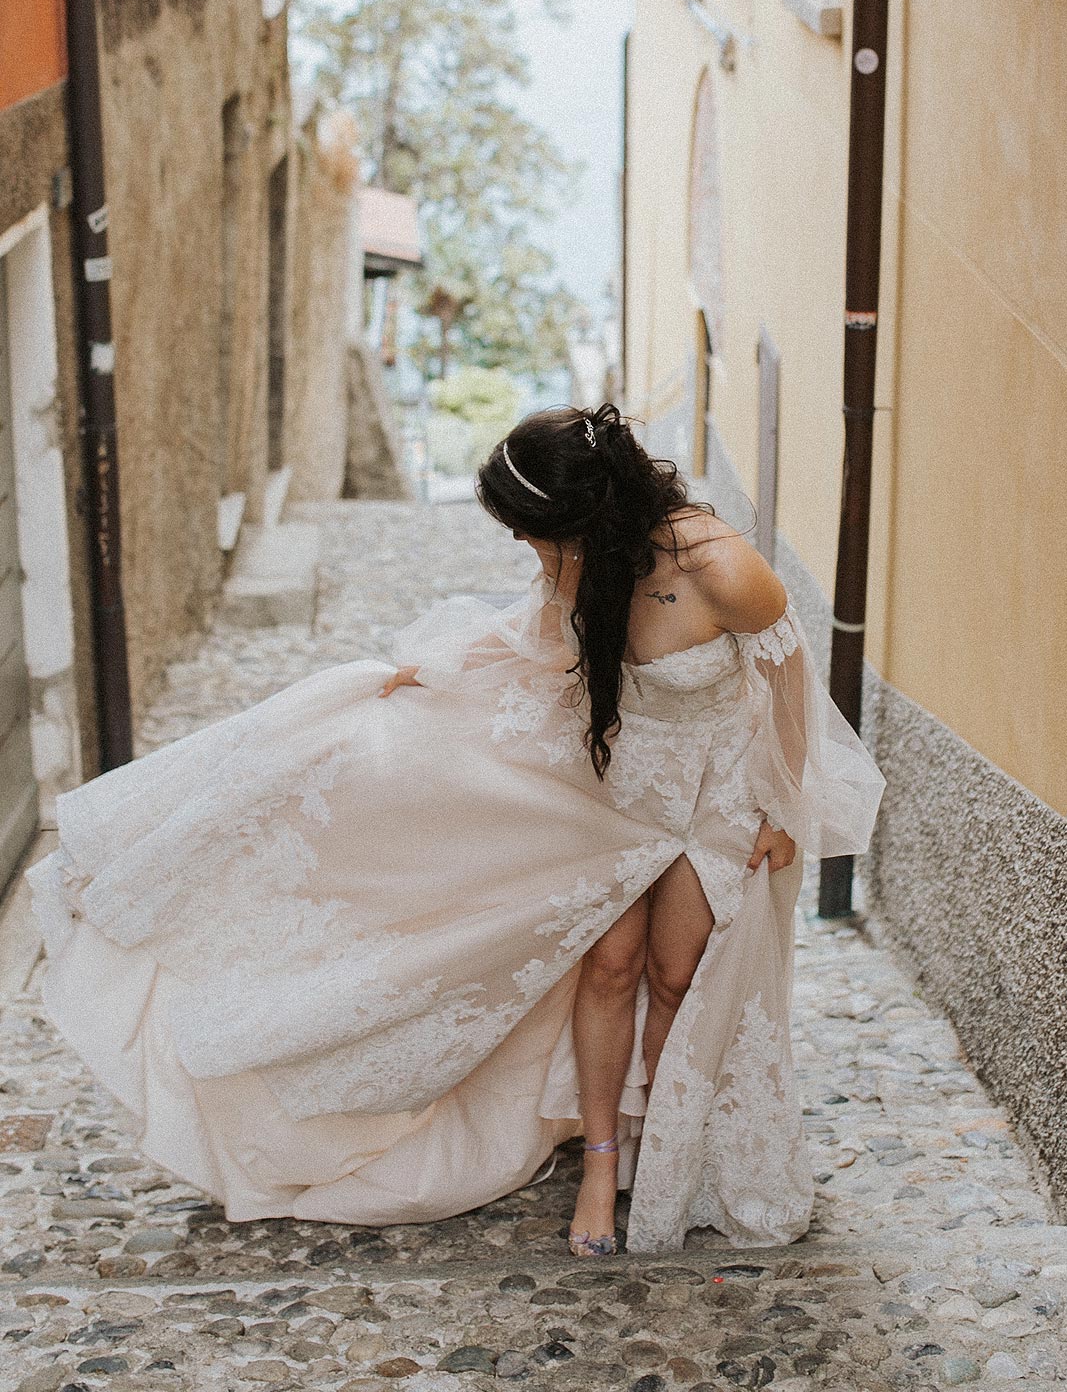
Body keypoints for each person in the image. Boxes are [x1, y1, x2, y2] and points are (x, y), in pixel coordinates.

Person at [28, 403, 886, 1257]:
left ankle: (661, 1160)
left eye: (533, 533)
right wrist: (435, 675)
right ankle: (598, 1163)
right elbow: (535, 638)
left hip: (718, 792)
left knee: (674, 978)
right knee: (607, 968)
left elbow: (788, 684)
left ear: (589, 513)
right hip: (616, 790)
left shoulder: (724, 570)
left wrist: (781, 808)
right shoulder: (584, 559)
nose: (528, 550)